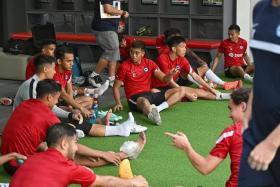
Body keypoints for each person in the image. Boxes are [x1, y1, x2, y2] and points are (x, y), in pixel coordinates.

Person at [2, 80, 145, 175]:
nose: (57, 102)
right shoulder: (46, 115)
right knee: (70, 155)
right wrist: (101, 153)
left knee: (51, 146)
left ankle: (119, 153)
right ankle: (125, 154)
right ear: (49, 98)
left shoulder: (25, 104)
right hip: (20, 166)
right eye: (57, 99)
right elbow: (70, 146)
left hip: (7, 161)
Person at [14, 55, 146, 138]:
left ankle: (117, 128)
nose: (55, 71)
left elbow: (48, 108)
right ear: (45, 70)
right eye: (53, 68)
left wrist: (69, 115)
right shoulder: (30, 85)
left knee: (74, 120)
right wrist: (63, 118)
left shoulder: (42, 83)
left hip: (35, 124)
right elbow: (34, 115)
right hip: (27, 129)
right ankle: (117, 129)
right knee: (70, 127)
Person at [10, 123, 149, 187]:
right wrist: (132, 182)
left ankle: (127, 154)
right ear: (64, 143)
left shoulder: (33, 158)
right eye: (75, 143)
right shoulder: (66, 167)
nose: (76, 147)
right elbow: (104, 181)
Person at [165, 88, 251, 187]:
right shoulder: (270, 129)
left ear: (243, 107)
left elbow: (205, 167)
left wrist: (186, 146)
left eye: (231, 109)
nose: (229, 115)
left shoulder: (232, 133)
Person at [238, 1, 280, 186]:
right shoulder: (260, 9)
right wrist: (248, 113)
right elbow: (263, 68)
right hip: (257, 132)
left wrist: (272, 143)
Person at [113, 40, 184, 125]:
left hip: (149, 94)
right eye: (131, 52)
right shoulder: (124, 66)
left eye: (137, 53)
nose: (133, 55)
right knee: (144, 101)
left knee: (181, 90)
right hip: (135, 97)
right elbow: (116, 87)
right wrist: (118, 103)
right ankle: (153, 116)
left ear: (142, 53)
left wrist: (170, 75)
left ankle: (158, 109)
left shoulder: (150, 63)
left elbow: (164, 79)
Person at [156, 28, 242, 90]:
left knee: (200, 68)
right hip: (170, 83)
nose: (184, 48)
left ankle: (221, 84)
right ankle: (208, 85)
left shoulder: (180, 56)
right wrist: (181, 91)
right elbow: (168, 79)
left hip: (179, 78)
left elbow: (188, 52)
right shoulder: (164, 54)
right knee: (186, 72)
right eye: (182, 46)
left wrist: (199, 60)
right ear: (173, 46)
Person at [152, 35, 231, 101]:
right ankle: (180, 97)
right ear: (174, 49)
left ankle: (225, 96)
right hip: (158, 87)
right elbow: (169, 81)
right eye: (182, 47)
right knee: (154, 92)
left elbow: (195, 76)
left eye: (185, 47)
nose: (185, 50)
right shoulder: (162, 59)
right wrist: (185, 93)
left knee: (198, 92)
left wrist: (211, 89)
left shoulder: (182, 59)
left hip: (171, 87)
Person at [53, 45, 109, 118]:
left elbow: (69, 90)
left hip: (64, 102)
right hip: (55, 105)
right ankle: (72, 115)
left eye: (72, 61)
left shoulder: (68, 71)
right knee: (80, 110)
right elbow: (64, 95)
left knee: (89, 100)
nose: (72, 64)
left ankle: (74, 113)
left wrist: (70, 106)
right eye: (68, 61)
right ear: (59, 61)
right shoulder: (53, 73)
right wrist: (81, 108)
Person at [89, 0, 129, 88]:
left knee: (115, 51)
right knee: (112, 50)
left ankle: (112, 79)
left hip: (110, 27)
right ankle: (94, 75)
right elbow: (108, 9)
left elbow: (114, 10)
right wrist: (123, 12)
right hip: (104, 27)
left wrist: (120, 36)